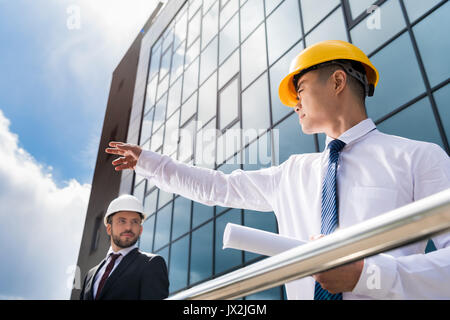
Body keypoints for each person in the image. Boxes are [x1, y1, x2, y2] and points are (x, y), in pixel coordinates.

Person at [105, 40, 450, 300]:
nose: (295, 104)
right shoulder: (292, 173)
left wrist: (367, 274)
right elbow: (217, 187)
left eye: (300, 90)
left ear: (338, 81)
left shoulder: (419, 158)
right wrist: (149, 162)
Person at [80, 194, 169, 300]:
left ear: (140, 230)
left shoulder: (151, 264)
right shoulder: (90, 275)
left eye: (135, 222)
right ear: (109, 228)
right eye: (122, 221)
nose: (128, 227)